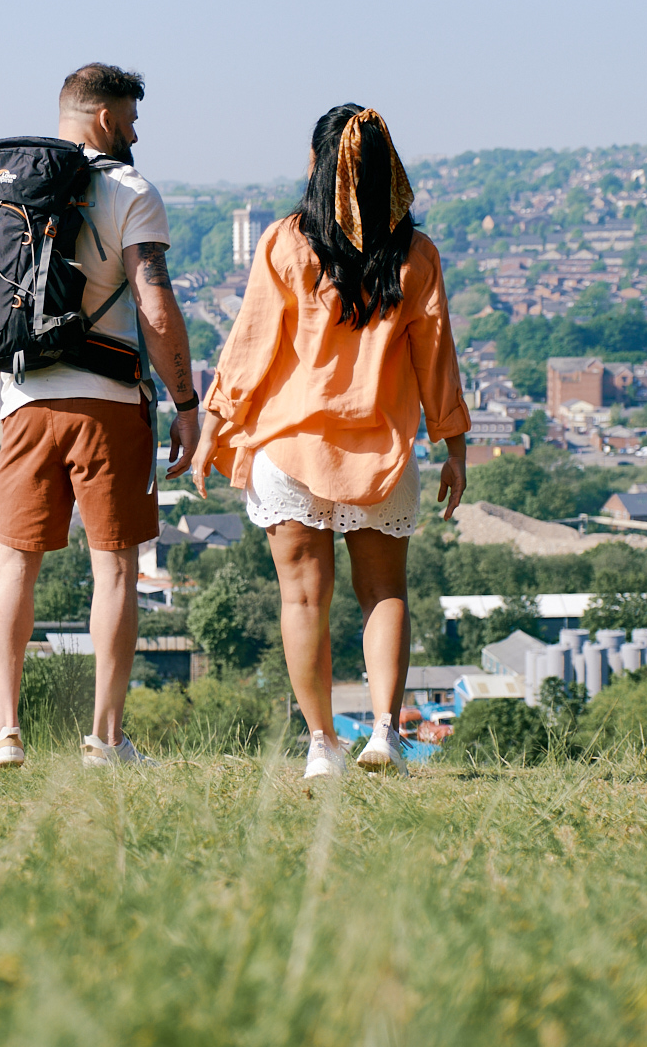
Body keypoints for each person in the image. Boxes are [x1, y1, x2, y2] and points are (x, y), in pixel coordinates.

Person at [190, 104, 470, 778]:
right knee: (384, 595)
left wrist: (212, 428)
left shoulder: (287, 242)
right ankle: (383, 734)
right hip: (381, 451)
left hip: (288, 449)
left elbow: (250, 346)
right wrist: (453, 442)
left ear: (317, 165)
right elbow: (436, 359)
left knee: (302, 598)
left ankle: (321, 744)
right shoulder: (416, 254)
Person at [0, 63, 201, 772]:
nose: (135, 132)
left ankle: (4, 733)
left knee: (15, 562)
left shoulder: (11, 187)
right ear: (104, 117)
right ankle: (104, 740)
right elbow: (154, 307)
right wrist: (186, 400)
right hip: (108, 403)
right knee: (115, 570)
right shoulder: (130, 190)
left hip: (24, 401)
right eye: (131, 117)